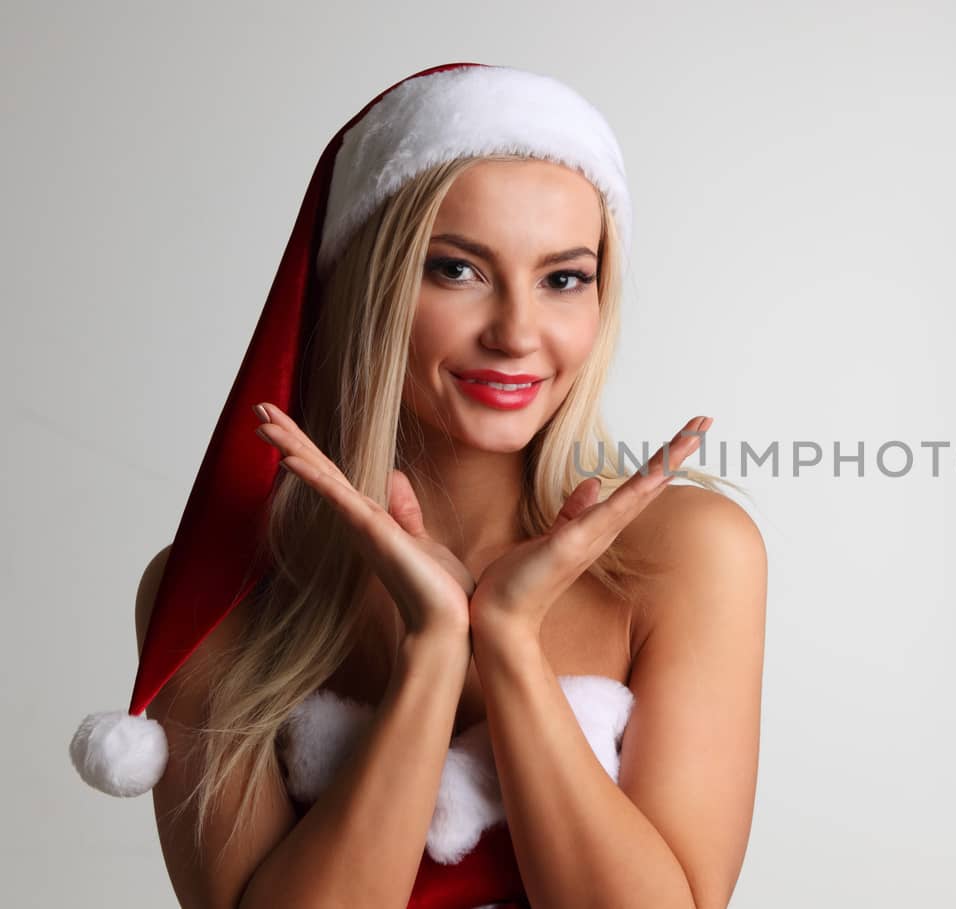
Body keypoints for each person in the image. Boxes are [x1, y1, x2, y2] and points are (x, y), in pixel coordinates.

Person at [70, 62, 766, 909]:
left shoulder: (690, 553)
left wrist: (507, 638)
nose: (516, 332)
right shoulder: (218, 587)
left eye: (563, 278)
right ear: (368, 286)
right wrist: (432, 651)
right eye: (456, 269)